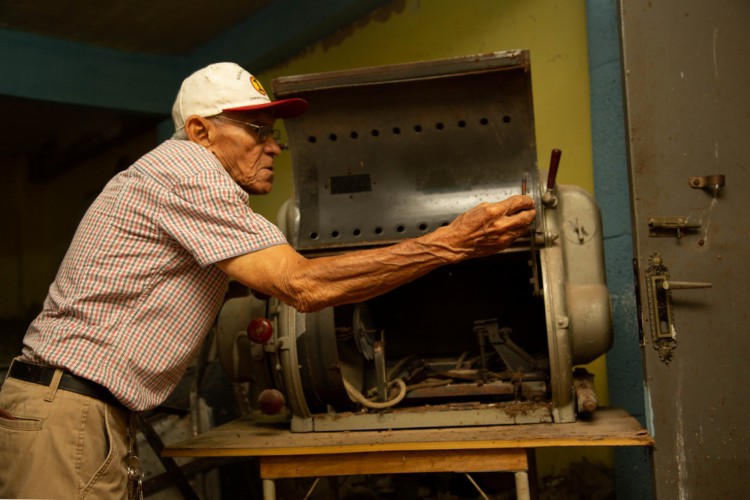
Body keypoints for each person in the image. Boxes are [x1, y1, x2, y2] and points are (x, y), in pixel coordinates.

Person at [0, 62, 536, 499]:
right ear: (200, 132)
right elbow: (301, 286)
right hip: (68, 413)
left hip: (76, 411)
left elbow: (269, 282)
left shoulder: (174, 178)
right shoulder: (189, 171)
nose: (274, 146)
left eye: (273, 132)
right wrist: (449, 242)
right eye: (256, 130)